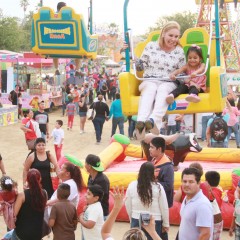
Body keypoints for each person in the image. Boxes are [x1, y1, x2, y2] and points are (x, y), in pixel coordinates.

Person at [134, 21, 186, 138]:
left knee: (163, 89)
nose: (173, 39)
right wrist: (134, 59)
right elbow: (141, 67)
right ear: (163, 34)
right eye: (171, 35)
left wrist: (176, 75)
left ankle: (153, 120)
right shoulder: (151, 46)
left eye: (176, 36)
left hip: (168, 81)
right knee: (150, 88)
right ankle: (141, 121)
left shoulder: (179, 51)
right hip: (150, 79)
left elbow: (182, 71)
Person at [125, 162, 169, 240]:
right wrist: (166, 224)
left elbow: (128, 204)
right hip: (155, 220)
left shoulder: (132, 185)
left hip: (136, 218)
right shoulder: (158, 187)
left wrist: (131, 218)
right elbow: (164, 207)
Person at [178, 167, 213, 240]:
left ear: (198, 183)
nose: (187, 184)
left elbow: (205, 234)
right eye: (184, 181)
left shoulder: (202, 205)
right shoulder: (187, 198)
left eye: (191, 182)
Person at [12, 169, 47, 240]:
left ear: (27, 180)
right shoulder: (44, 193)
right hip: (37, 233)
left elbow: (14, 214)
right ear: (40, 179)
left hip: (22, 233)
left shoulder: (22, 195)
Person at [53, 2, 82, 76]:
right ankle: (77, 70)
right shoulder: (69, 16)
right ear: (62, 8)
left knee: (54, 54)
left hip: (55, 43)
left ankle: (56, 69)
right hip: (69, 44)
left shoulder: (53, 16)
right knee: (79, 55)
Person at [149, 137, 174, 207]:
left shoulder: (168, 166)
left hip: (163, 203)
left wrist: (151, 183)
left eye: (152, 147)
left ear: (159, 149)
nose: (149, 149)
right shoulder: (153, 160)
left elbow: (169, 185)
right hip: (154, 200)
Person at [85, 154, 110, 219]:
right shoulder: (90, 176)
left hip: (101, 213)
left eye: (85, 163)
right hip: (92, 210)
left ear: (89, 166)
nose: (84, 165)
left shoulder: (102, 180)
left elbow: (101, 198)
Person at [204, 171, 223, 240]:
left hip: (214, 220)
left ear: (206, 181)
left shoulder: (211, 192)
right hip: (218, 220)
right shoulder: (219, 190)